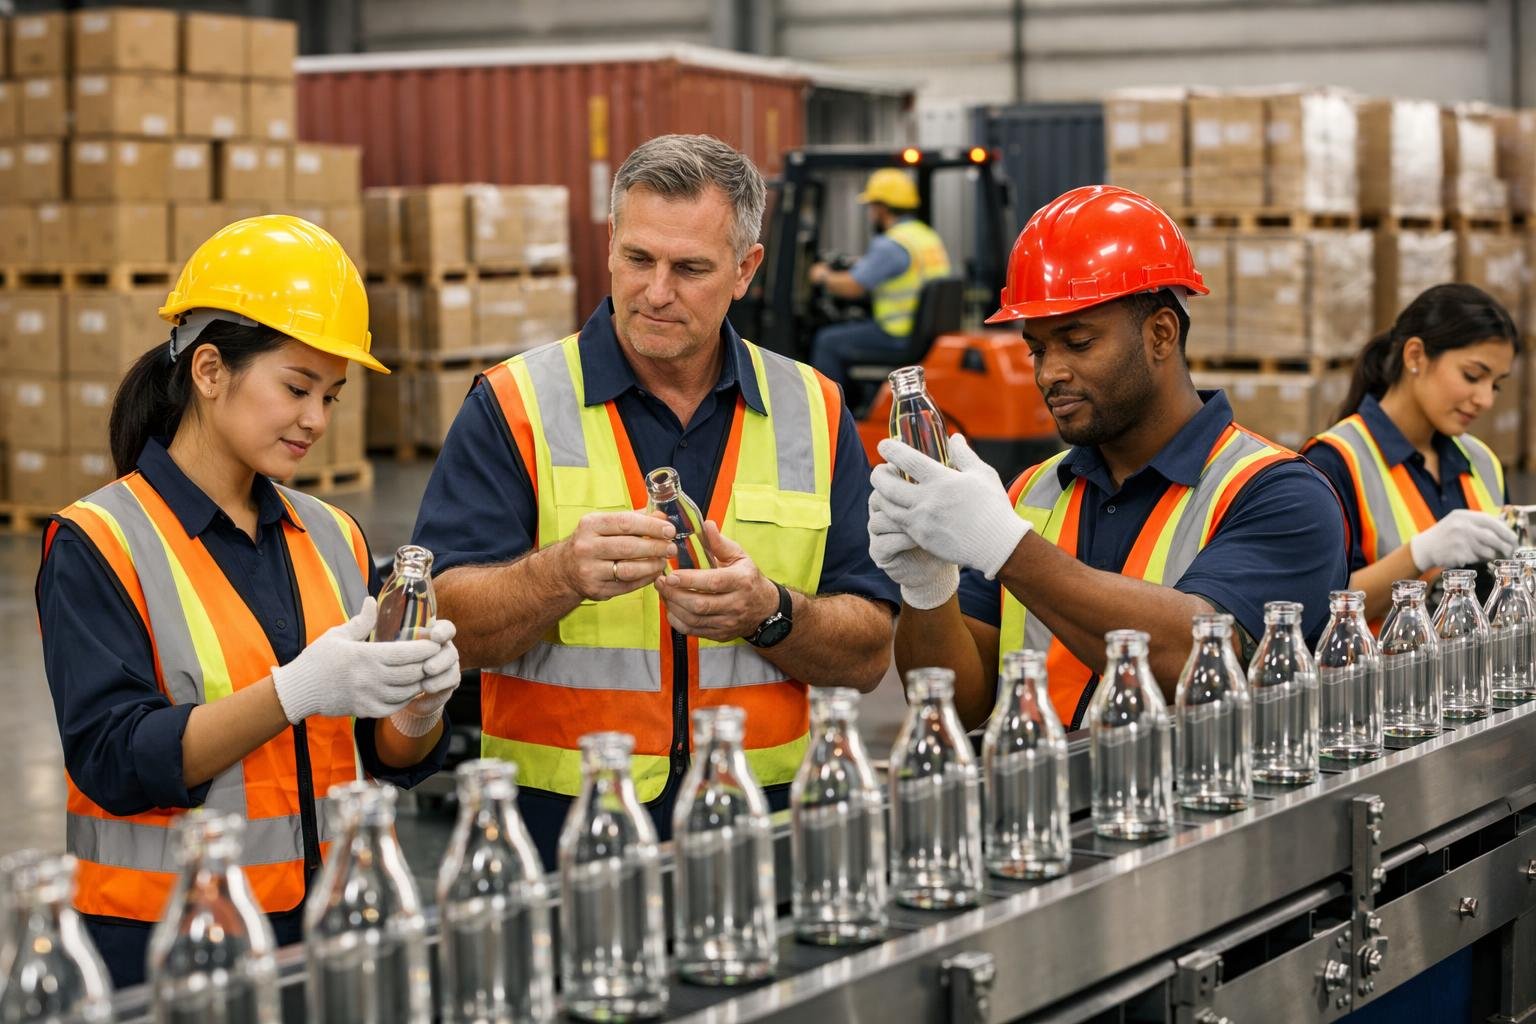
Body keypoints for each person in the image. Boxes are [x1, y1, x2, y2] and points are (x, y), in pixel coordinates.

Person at [410, 134, 897, 865]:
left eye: (690, 268)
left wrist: (770, 613)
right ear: (610, 244)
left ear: (746, 270)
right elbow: (438, 626)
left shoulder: (816, 412)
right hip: (558, 836)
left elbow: (868, 654)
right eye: (639, 259)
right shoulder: (514, 405)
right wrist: (559, 574)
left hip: (763, 833)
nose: (657, 292)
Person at [35, 216, 461, 987]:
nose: (316, 421)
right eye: (296, 387)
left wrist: (418, 709)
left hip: (331, 927)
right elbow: (115, 761)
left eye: (331, 395)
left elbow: (374, 757)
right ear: (208, 370)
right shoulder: (99, 542)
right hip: (171, 943)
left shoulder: (331, 533)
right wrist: (296, 691)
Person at [868, 185, 1349, 731]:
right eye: (1038, 349)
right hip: (1047, 809)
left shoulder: (1278, 493)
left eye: (1078, 343)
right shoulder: (1031, 494)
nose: (1049, 373)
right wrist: (928, 587)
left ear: (1161, 334)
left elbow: (1197, 659)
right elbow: (956, 706)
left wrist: (1005, 547)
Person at [1304, 284, 1520, 622]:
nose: (1486, 400)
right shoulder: (1333, 461)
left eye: (1495, 384)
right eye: (1472, 375)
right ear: (1415, 356)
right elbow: (1317, 611)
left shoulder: (1483, 462)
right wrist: (1419, 555)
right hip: (1378, 674)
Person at [807, 167, 952, 394]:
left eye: (872, 206)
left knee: (827, 342)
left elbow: (853, 287)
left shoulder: (891, 244)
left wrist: (822, 276)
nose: (871, 213)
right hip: (922, 334)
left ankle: (829, 416)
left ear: (882, 207)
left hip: (896, 335)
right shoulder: (924, 236)